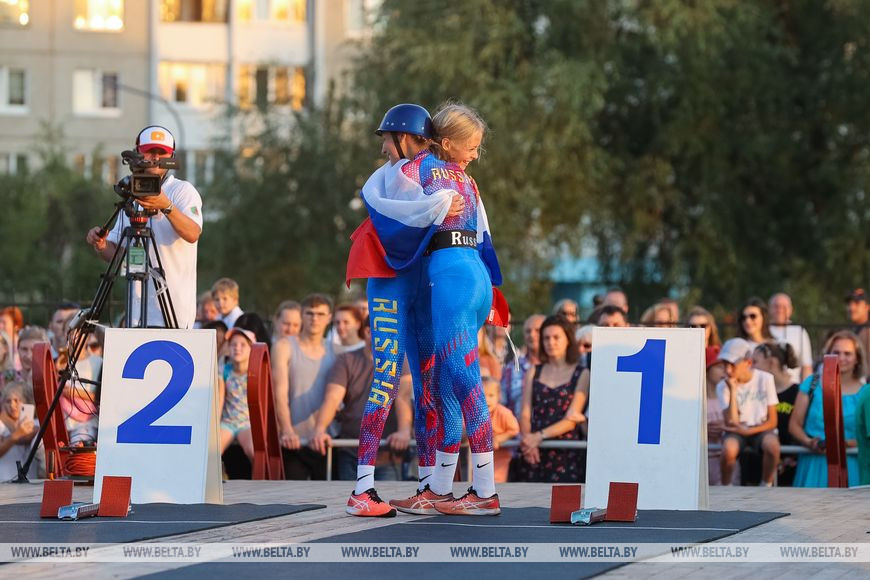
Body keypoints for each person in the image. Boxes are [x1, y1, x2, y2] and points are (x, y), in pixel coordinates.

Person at [414, 103, 502, 515]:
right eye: (472, 147)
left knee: (464, 381)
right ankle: (440, 488)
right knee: (447, 384)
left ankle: (485, 492)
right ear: (447, 143)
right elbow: (484, 232)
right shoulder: (468, 180)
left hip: (453, 279)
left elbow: (379, 200)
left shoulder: (420, 168)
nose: (475, 155)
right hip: (476, 277)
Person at [86, 126, 203, 329]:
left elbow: (193, 233)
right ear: (137, 154)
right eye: (149, 151)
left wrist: (166, 206)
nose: (155, 157)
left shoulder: (182, 190)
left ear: (171, 157)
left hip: (174, 312)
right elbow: (119, 256)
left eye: (161, 152)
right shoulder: (131, 194)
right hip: (136, 313)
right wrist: (101, 245)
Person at [309, 318, 412, 481]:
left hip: (386, 454)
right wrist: (319, 429)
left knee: (388, 495)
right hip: (352, 451)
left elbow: (403, 397)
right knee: (347, 495)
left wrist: (404, 431)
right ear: (367, 332)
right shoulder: (346, 360)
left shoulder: (400, 361)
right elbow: (333, 397)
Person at [789, 330, 868, 487]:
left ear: (857, 358)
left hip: (851, 464)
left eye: (847, 353)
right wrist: (809, 442)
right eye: (836, 352)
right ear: (828, 355)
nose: (841, 358)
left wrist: (846, 444)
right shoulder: (812, 384)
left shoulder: (865, 392)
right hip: (813, 463)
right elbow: (794, 425)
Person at [514, 315, 587, 483]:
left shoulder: (582, 373)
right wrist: (528, 441)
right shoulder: (534, 370)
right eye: (546, 338)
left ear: (568, 339)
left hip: (565, 452)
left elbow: (572, 419)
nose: (550, 342)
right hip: (534, 452)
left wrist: (539, 436)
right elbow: (525, 412)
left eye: (556, 337)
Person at [271, 293, 336, 480]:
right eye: (310, 313)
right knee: (293, 495)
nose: (315, 319)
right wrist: (287, 430)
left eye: (320, 314)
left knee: (330, 496)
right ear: (302, 315)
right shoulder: (284, 346)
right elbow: (279, 393)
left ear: (329, 318)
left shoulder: (336, 351)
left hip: (326, 439)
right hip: (293, 440)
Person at [716, 338, 780, 486]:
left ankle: (766, 486)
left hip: (761, 429)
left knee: (772, 446)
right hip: (736, 431)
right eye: (725, 364)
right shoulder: (723, 386)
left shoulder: (766, 379)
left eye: (732, 364)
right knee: (728, 450)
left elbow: (772, 421)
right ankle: (726, 487)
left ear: (748, 362)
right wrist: (732, 390)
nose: (728, 370)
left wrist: (748, 431)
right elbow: (732, 422)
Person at [752, 341, 800, 485]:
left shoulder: (798, 392)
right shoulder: (755, 392)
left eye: (755, 362)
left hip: (790, 468)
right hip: (761, 465)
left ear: (772, 362)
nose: (751, 367)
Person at [218, 328, 255, 464]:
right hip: (228, 422)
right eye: (233, 344)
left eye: (243, 345)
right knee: (212, 450)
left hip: (248, 423)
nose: (237, 348)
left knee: (253, 450)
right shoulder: (224, 370)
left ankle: (259, 477)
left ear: (251, 349)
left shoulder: (255, 371)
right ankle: (214, 477)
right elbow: (219, 399)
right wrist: (214, 426)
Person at [501, 314, 545, 418]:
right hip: (516, 426)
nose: (532, 335)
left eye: (537, 330)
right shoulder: (511, 369)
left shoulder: (556, 368)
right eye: (528, 331)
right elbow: (502, 404)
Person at [706, 350, 738, 485]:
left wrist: (726, 426)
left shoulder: (731, 396)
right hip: (704, 462)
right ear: (707, 369)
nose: (725, 371)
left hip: (728, 463)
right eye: (719, 367)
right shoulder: (696, 400)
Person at [768, 293, 813, 382]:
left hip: (793, 385)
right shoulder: (762, 329)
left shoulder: (799, 331)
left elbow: (806, 366)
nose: (780, 310)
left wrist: (805, 389)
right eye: (776, 306)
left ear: (791, 310)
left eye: (784, 307)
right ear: (769, 308)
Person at [482, 376, 519, 484]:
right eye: (483, 395)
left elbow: (514, 430)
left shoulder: (504, 413)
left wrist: (499, 438)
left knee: (496, 482)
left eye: (491, 395)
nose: (487, 399)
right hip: (479, 456)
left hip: (499, 456)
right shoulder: (474, 412)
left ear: (498, 396)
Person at [0, 382, 38, 480]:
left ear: (26, 401)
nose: (12, 405)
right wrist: (15, 435)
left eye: (16, 400)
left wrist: (11, 436)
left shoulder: (35, 422)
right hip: (5, 482)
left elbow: (27, 437)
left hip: (31, 482)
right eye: (8, 401)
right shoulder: (1, 424)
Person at [15, 326, 49, 401]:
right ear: (18, 350)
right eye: (24, 349)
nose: (28, 355)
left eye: (34, 350)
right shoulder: (6, 379)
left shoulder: (51, 381)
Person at [845, 289, 870, 363]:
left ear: (867, 307)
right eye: (849, 304)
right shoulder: (852, 330)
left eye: (857, 303)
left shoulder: (868, 332)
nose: (851, 308)